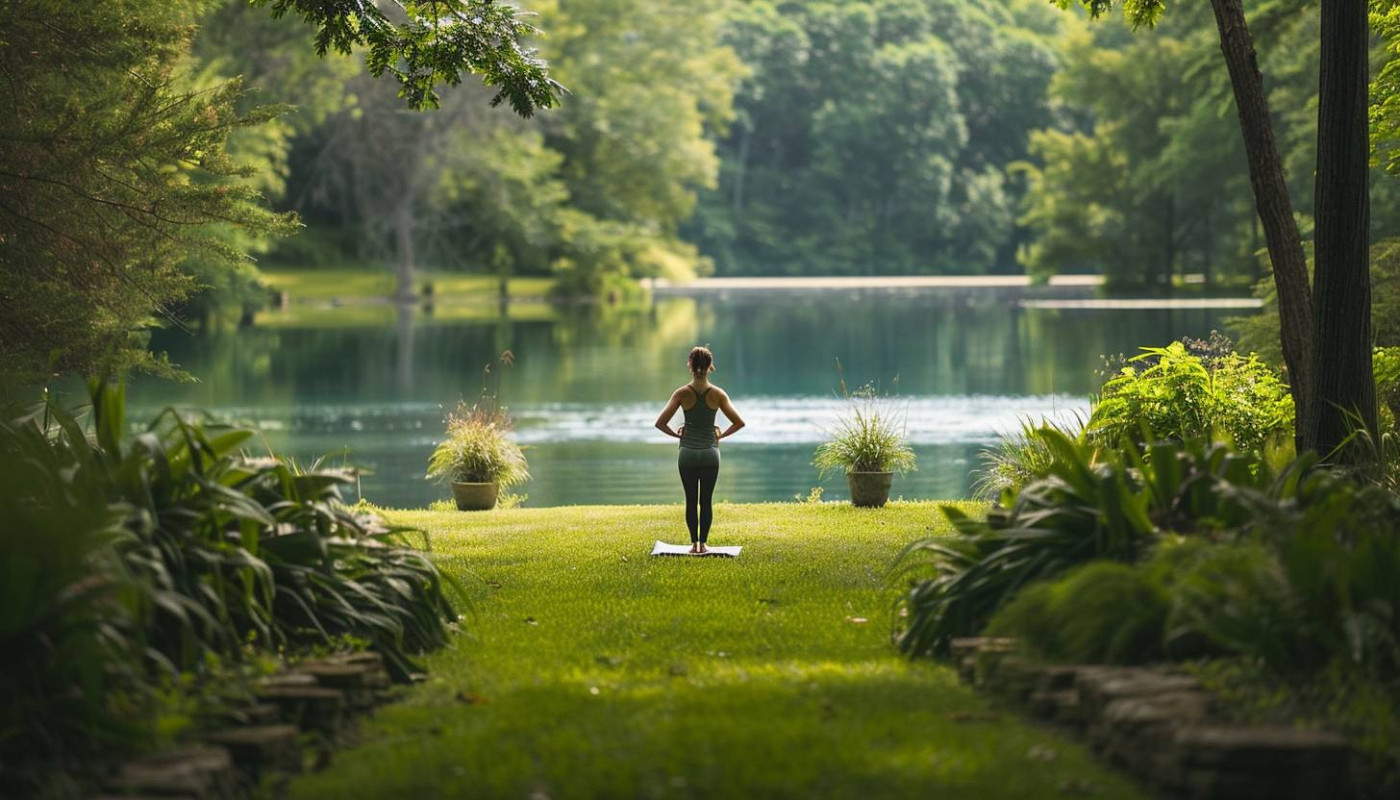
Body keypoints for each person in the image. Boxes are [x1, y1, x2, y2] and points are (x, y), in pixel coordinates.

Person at [654, 346, 745, 553]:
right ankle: (702, 546)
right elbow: (739, 423)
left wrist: (678, 435)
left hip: (686, 454)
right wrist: (720, 434)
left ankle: (692, 545)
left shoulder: (682, 393)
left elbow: (660, 423)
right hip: (710, 454)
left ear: (690, 366)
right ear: (709, 367)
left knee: (690, 500)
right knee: (705, 501)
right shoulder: (718, 394)